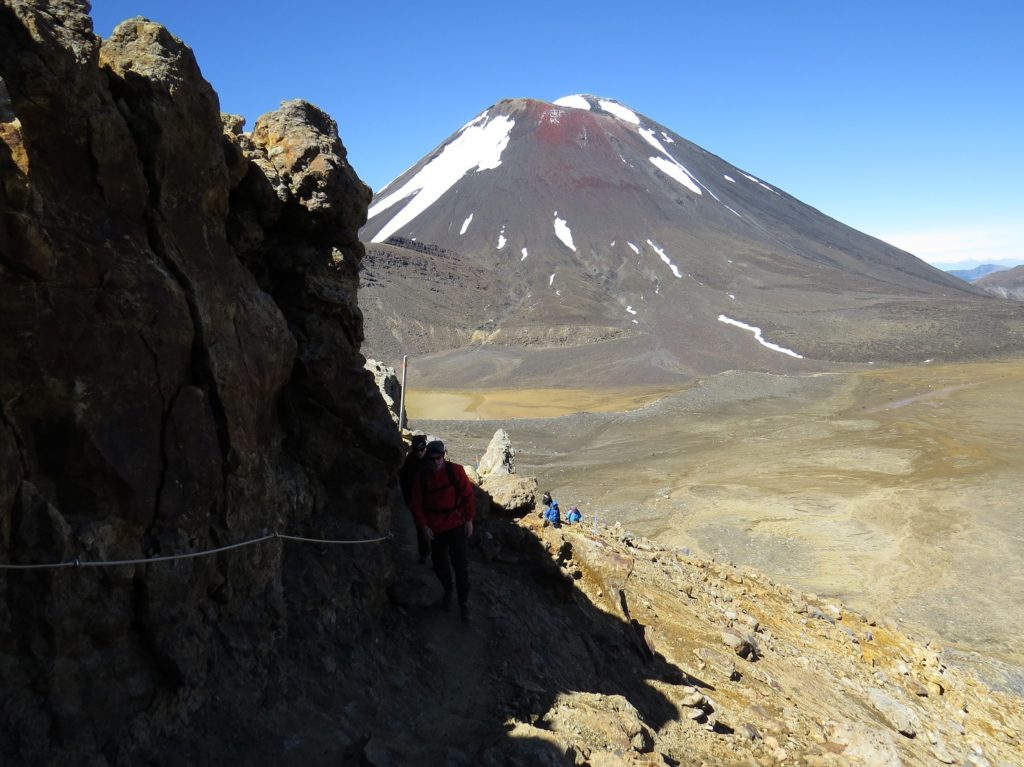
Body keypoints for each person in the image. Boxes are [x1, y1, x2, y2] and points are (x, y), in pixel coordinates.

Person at [411, 440, 476, 621]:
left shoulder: (456, 471)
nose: (437, 462)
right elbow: (416, 504)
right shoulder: (421, 477)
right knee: (439, 563)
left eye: (439, 458)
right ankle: (448, 590)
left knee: (460, 566)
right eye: (433, 459)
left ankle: (463, 603)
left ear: (444, 456)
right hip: (435, 527)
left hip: (456, 524)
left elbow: (468, 496)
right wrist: (423, 526)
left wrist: (469, 520)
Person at [398, 434, 431, 562]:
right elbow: (404, 482)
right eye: (417, 451)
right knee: (420, 527)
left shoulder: (431, 459)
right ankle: (424, 553)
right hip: (416, 500)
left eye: (422, 450)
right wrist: (409, 501)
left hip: (431, 499)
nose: (420, 453)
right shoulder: (409, 461)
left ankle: (437, 556)